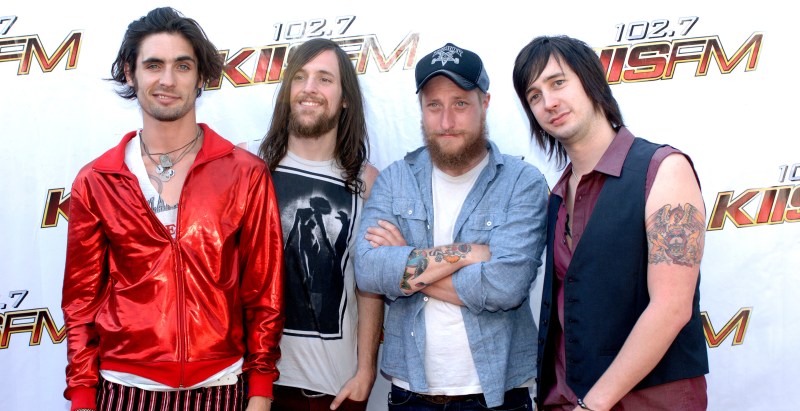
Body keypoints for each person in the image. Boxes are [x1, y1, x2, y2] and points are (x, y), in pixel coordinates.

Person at [61, 7, 283, 411]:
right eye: (153, 65)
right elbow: (80, 304)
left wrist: (261, 389)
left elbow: (264, 293)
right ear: (130, 73)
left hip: (221, 388)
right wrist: (81, 397)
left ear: (200, 77)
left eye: (182, 66)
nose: (167, 80)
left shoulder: (245, 174)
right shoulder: (97, 180)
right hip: (123, 390)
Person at [511, 35, 709, 411]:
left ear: (591, 81)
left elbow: (671, 307)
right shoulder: (557, 195)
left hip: (652, 403)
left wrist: (594, 404)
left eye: (557, 82)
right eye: (534, 96)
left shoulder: (663, 170)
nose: (548, 102)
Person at [354, 42, 548, 410]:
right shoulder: (395, 180)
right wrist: (468, 253)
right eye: (434, 106)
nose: (446, 121)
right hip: (411, 396)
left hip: (497, 397)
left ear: (484, 103)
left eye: (460, 104)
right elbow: (368, 271)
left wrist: (404, 266)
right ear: (421, 108)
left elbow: (505, 287)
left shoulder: (521, 182)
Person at [248, 38, 383, 411]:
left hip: (333, 392)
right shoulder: (249, 164)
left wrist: (366, 371)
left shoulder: (367, 182)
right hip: (256, 386)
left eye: (324, 79)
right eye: (300, 77)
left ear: (345, 98)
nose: (309, 88)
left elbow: (368, 285)